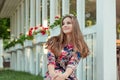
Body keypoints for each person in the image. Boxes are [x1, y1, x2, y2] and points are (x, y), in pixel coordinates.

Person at [44, 14, 89, 80]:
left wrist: (63, 76)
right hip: (52, 75)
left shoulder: (78, 45)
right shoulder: (54, 41)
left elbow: (72, 64)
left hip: (68, 75)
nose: (65, 25)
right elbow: (51, 59)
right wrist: (53, 74)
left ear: (75, 26)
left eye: (68, 23)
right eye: (63, 24)